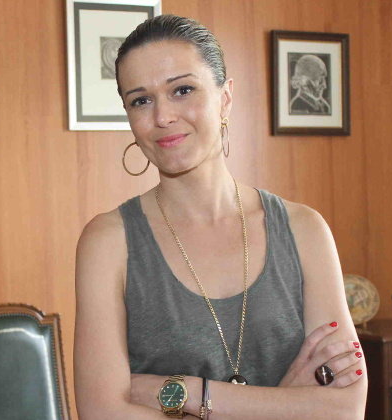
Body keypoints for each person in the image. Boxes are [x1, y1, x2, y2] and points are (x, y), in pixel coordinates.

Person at [74, 15, 367, 419]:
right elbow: (102, 414)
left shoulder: (305, 230)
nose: (162, 117)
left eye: (182, 90)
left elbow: (345, 410)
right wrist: (287, 403)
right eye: (141, 100)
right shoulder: (108, 241)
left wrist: (191, 393)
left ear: (225, 97)